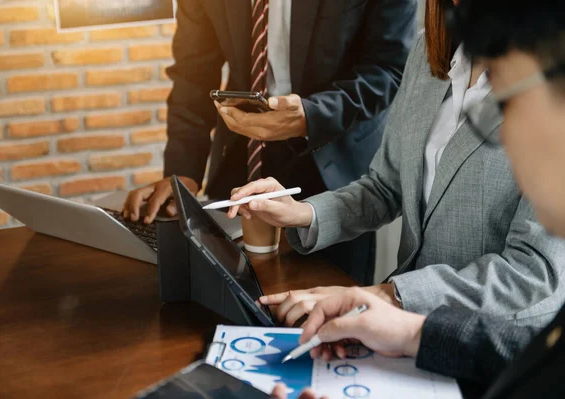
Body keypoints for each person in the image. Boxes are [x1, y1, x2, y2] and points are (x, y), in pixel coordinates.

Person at [271, 0, 565, 397]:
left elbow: (534, 271)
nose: (509, 138)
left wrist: (391, 295)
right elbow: (386, 185)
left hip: (492, 357)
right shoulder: (428, 55)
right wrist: (304, 212)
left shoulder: (544, 72)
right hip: (408, 342)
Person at [122, 0, 417, 284]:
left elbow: (389, 69)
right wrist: (183, 171)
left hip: (335, 168)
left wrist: (312, 116)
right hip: (241, 161)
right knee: (224, 303)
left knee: (328, 314)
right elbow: (193, 74)